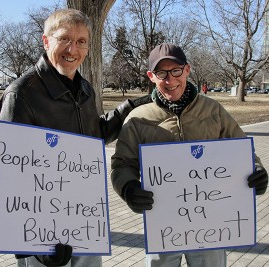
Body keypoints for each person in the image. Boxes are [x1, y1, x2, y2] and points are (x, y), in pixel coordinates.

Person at [0, 8, 151, 267]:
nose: (72, 49)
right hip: (42, 228)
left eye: (81, 42)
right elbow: (7, 176)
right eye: (64, 39)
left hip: (85, 214)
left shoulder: (85, 90)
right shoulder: (21, 95)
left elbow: (93, 135)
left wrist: (130, 107)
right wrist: (31, 245)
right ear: (46, 41)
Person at [110, 43, 268, 267]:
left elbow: (241, 149)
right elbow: (122, 164)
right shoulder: (138, 118)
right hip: (162, 222)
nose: (170, 80)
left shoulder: (213, 110)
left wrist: (257, 169)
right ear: (151, 76)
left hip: (211, 222)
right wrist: (128, 188)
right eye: (161, 73)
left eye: (175, 71)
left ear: (187, 70)